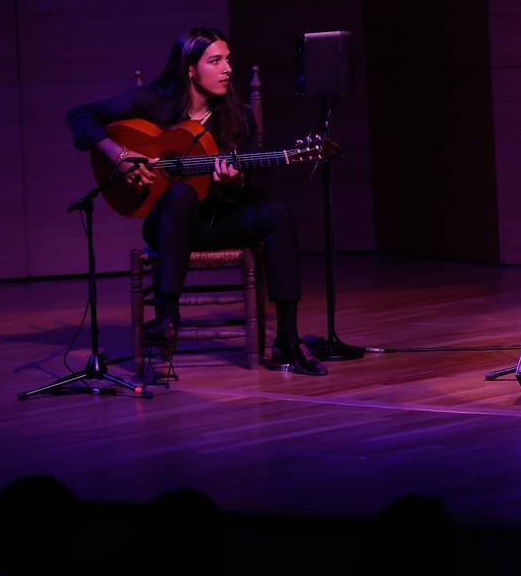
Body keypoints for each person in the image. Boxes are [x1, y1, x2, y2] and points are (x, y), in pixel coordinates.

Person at [65, 27, 326, 375]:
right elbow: (79, 116)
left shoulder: (239, 116)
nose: (227, 69)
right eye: (215, 61)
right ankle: (167, 318)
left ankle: (288, 340)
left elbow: (258, 186)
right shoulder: (153, 103)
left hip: (219, 223)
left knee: (278, 212)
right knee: (180, 192)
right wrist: (120, 155)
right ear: (190, 68)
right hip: (169, 226)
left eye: (228, 60)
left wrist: (237, 181)